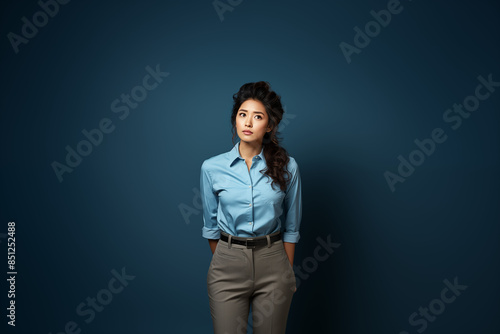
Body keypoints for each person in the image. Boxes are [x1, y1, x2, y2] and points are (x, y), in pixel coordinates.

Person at [200, 81, 303, 334]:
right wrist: (229, 258)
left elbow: (291, 227)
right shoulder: (211, 168)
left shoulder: (288, 167)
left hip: (273, 263)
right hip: (227, 264)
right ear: (235, 119)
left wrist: (287, 272)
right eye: (242, 114)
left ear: (269, 126)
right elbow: (211, 227)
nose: (247, 122)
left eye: (257, 117)